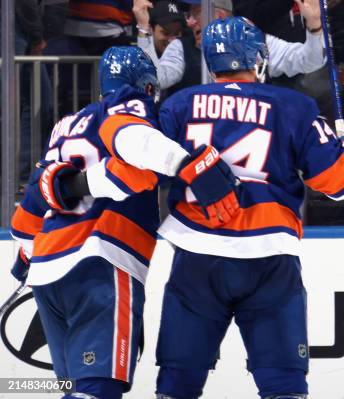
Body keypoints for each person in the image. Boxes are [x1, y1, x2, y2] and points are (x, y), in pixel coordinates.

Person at [150, 16, 344, 399]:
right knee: (282, 383)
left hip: (195, 256)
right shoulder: (293, 106)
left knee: (178, 382)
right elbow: (341, 186)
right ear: (257, 57)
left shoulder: (179, 105)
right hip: (268, 258)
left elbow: (146, 170)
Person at [9, 46, 241, 399]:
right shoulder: (128, 104)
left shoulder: (65, 125)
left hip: (47, 270)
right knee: (98, 388)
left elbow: (24, 219)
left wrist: (27, 254)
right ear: (146, 87)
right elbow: (134, 154)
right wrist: (185, 164)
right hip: (100, 262)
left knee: (77, 387)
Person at [145, 0, 325, 98]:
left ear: (220, 15)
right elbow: (154, 81)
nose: (189, 22)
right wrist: (144, 31)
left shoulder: (257, 43)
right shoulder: (180, 48)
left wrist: (315, 26)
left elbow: (309, 60)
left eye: (195, 13)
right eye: (188, 15)